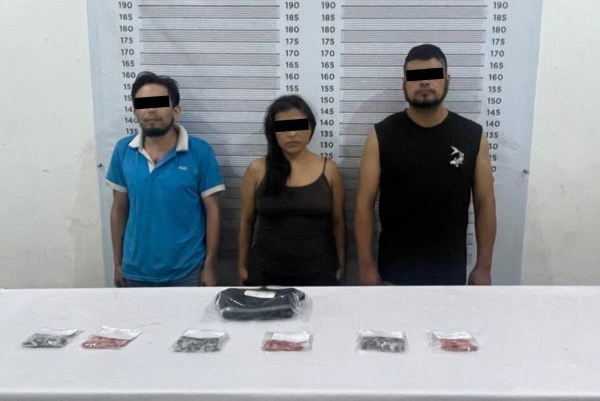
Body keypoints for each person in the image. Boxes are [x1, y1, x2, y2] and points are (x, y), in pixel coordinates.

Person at [355, 44, 496, 285]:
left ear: (447, 80)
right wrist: (366, 266)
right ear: (404, 84)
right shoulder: (381, 135)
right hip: (393, 274)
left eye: (433, 75)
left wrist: (484, 266)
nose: (424, 82)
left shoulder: (473, 136)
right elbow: (363, 205)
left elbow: (485, 204)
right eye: (415, 76)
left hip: (450, 275)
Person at [106, 71, 225, 287]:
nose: (151, 110)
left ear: (176, 110)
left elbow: (213, 212)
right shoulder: (123, 150)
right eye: (144, 104)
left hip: (187, 272)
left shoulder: (200, 152)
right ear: (135, 112)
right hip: (134, 272)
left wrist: (210, 266)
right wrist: (117, 263)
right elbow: (119, 209)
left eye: (159, 103)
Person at [238, 95, 346, 286]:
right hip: (265, 273)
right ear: (273, 132)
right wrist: (241, 267)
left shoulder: (329, 169)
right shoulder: (257, 169)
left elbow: (338, 221)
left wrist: (342, 265)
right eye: (283, 127)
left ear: (310, 127)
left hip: (320, 272)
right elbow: (246, 221)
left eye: (299, 125)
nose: (292, 133)